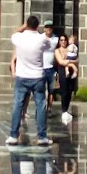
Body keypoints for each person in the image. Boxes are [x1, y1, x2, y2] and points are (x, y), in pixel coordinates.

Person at [7, 15, 51, 148]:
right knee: (40, 106)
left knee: (17, 106)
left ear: (27, 24)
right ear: (37, 26)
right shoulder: (41, 38)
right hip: (37, 76)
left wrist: (23, 26)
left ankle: (13, 136)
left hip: (22, 76)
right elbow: (47, 45)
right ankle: (42, 137)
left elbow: (14, 33)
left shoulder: (19, 38)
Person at [55, 34, 79, 124]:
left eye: (64, 40)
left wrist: (69, 62)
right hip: (62, 71)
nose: (63, 41)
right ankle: (63, 110)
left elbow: (77, 60)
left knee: (70, 91)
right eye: (61, 40)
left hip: (71, 70)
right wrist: (71, 62)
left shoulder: (70, 48)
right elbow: (61, 61)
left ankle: (66, 109)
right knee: (64, 91)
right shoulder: (57, 50)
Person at [41, 20, 59, 106]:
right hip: (41, 67)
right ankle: (42, 107)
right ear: (44, 29)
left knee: (51, 90)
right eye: (47, 27)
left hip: (52, 68)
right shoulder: (40, 38)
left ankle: (49, 108)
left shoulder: (56, 39)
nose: (49, 29)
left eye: (50, 27)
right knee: (41, 90)